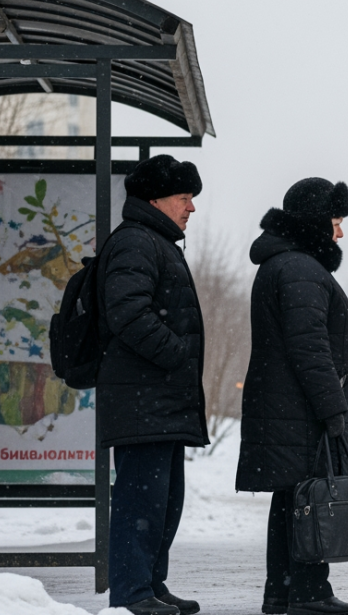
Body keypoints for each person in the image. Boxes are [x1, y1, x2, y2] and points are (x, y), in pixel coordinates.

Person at [237, 178, 348, 615]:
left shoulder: (285, 265)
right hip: (300, 410)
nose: (340, 233)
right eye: (336, 221)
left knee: (294, 500)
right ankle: (308, 592)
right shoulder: (301, 270)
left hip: (285, 406)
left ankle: (285, 591)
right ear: (315, 221)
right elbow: (310, 349)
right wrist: (334, 409)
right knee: (310, 501)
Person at [98, 154, 209, 615]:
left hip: (158, 400)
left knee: (163, 502)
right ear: (156, 199)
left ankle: (150, 584)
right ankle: (131, 592)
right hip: (142, 399)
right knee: (140, 500)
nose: (191, 208)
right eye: (184, 198)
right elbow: (127, 311)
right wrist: (177, 354)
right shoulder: (136, 243)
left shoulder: (155, 242)